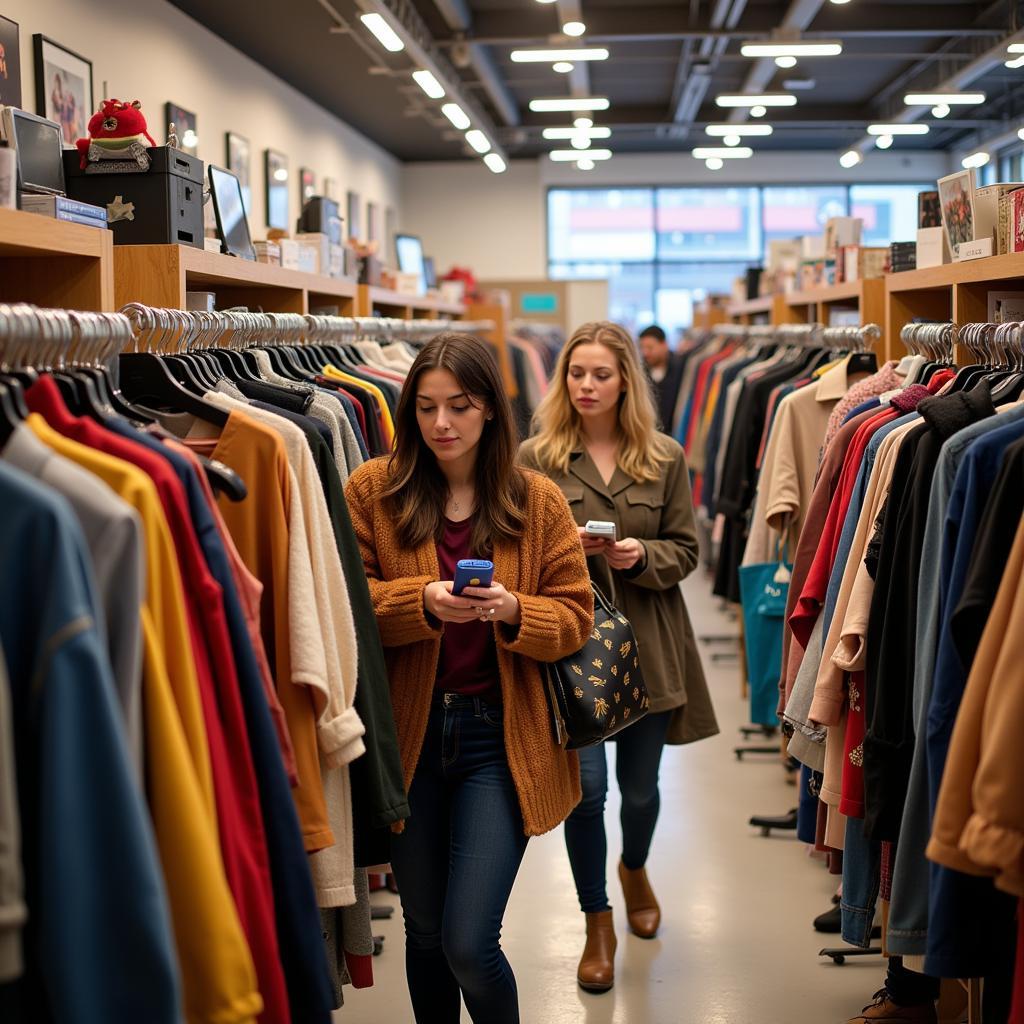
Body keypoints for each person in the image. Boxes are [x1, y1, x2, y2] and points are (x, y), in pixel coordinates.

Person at [344, 332, 594, 1024]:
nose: (441, 424)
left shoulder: (536, 501)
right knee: (423, 933)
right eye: (425, 408)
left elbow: (575, 617)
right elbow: (345, 601)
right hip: (410, 740)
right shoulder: (373, 490)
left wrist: (515, 610)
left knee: (467, 940)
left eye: (459, 406)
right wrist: (420, 600)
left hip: (498, 741)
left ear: (489, 409)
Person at [520, 320, 719, 994]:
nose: (586, 385)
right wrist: (560, 550)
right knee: (587, 794)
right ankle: (595, 920)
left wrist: (640, 556)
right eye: (576, 373)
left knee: (638, 791)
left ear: (625, 380)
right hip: (573, 647)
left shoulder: (663, 456)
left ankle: (634, 867)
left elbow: (687, 551)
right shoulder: (535, 457)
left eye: (601, 374)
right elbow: (515, 554)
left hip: (649, 642)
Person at [639, 324, 685, 434]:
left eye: (650, 347)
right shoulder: (640, 372)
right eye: (642, 348)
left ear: (664, 344)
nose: (645, 353)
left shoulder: (682, 368)